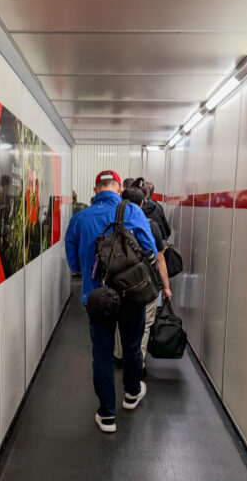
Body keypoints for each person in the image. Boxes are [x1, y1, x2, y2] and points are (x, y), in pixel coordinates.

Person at [65, 170, 158, 434]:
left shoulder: (79, 218)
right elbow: (150, 250)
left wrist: (91, 273)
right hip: (132, 295)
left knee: (102, 354)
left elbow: (74, 262)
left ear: (95, 190)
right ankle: (131, 394)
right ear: (118, 189)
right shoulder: (133, 212)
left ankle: (107, 415)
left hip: (97, 297)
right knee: (131, 347)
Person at [113, 187, 172, 368]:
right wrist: (166, 287)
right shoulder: (151, 226)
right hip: (144, 283)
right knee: (145, 322)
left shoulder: (113, 222)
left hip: (119, 280)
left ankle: (119, 354)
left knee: (120, 319)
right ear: (141, 203)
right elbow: (159, 258)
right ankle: (138, 361)